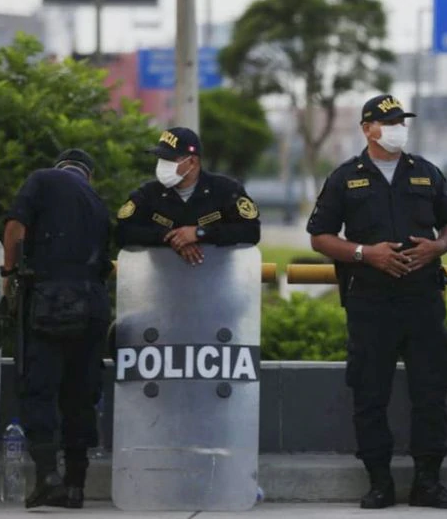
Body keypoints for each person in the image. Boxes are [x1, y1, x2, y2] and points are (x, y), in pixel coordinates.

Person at [307, 94, 447, 510]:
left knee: (431, 391)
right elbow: (320, 235)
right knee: (369, 393)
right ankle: (379, 483)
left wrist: (438, 247)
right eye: (389, 121)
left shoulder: (426, 173)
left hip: (422, 300)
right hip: (370, 303)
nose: (398, 127)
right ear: (367, 129)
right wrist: (365, 253)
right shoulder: (345, 178)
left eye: (401, 120)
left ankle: (428, 482)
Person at [1, 149, 113, 509]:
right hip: (94, 305)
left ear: (59, 165)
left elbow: (15, 227)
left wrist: (8, 274)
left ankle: (47, 477)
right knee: (80, 393)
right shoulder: (97, 202)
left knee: (39, 386)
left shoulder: (42, 179)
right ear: (88, 175)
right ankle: (75, 485)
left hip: (52, 301)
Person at [116, 127, 261, 259]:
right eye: (161, 158)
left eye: (170, 159)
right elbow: (122, 232)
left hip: (216, 280)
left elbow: (251, 231)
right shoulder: (148, 194)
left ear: (192, 162)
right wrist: (169, 237)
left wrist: (200, 233)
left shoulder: (226, 190)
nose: (162, 164)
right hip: (161, 282)